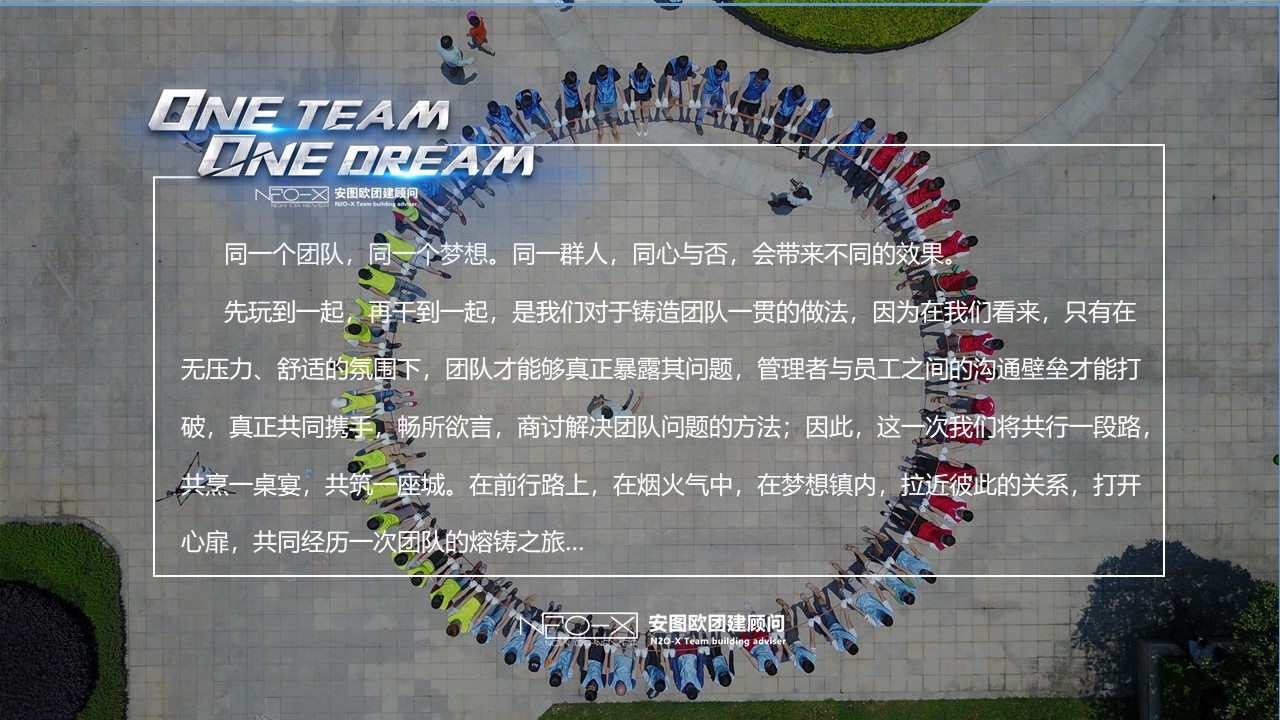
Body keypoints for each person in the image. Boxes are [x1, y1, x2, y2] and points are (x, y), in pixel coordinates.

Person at [862, 150, 931, 218]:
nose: (919, 165)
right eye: (918, 162)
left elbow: (911, 177)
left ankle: (880, 203)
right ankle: (869, 208)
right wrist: (890, 179)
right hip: (897, 178)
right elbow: (899, 168)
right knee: (881, 193)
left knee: (890, 199)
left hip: (906, 184)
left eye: (920, 164)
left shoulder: (924, 167)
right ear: (917, 157)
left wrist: (900, 188)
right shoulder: (911, 154)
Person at [846, 130, 909, 198]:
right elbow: (876, 148)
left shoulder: (902, 149)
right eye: (896, 142)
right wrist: (868, 161)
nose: (896, 144)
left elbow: (893, 161)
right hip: (871, 161)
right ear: (895, 137)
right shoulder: (887, 137)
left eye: (898, 144)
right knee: (858, 174)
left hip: (880, 168)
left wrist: (885, 174)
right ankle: (850, 184)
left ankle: (856, 194)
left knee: (866, 183)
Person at [881, 500, 957, 551]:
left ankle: (891, 516)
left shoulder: (939, 547)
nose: (941, 535)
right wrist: (926, 511)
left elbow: (925, 542)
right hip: (924, 523)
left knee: (902, 523)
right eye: (943, 535)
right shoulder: (948, 531)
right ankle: (893, 508)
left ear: (943, 542)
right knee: (907, 514)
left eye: (941, 538)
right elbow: (938, 521)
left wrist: (912, 537)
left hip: (918, 533)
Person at [818, 117, 875, 184]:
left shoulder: (872, 133)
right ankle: (824, 174)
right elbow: (844, 133)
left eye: (866, 129)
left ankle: (835, 168)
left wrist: (861, 157)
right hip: (842, 149)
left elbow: (866, 146)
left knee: (844, 165)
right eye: (863, 127)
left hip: (852, 154)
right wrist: (835, 142)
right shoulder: (856, 124)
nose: (864, 129)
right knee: (832, 161)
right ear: (863, 123)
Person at [357, 264, 429, 303]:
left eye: (370, 275)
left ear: (368, 271)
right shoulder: (362, 283)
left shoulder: (370, 267)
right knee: (406, 299)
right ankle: (413, 297)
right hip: (390, 291)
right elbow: (375, 291)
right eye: (369, 278)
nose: (370, 277)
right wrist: (388, 298)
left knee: (412, 287)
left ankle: (424, 295)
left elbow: (385, 267)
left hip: (395, 281)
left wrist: (401, 270)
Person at [588, 64, 624, 143]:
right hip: (599, 102)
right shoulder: (594, 75)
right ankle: (600, 131)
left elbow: (619, 88)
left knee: (614, 116)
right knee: (600, 118)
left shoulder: (612, 72)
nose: (603, 78)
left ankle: (614, 130)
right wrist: (591, 108)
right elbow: (592, 93)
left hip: (612, 101)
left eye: (605, 77)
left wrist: (624, 102)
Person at [693, 59, 731, 135]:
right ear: (715, 68)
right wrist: (698, 99)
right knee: (703, 109)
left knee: (724, 103)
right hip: (707, 91)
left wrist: (728, 104)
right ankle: (698, 123)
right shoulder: (709, 70)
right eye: (718, 72)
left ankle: (710, 110)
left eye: (721, 72)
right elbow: (702, 85)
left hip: (717, 90)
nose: (720, 73)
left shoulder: (726, 73)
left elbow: (727, 89)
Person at [729, 68, 771, 135]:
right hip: (743, 98)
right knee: (738, 111)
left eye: (761, 80)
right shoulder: (750, 76)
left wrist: (766, 116)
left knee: (751, 114)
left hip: (755, 101)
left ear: (765, 79)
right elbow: (740, 91)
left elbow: (767, 100)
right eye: (758, 78)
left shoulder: (768, 83)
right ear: (756, 75)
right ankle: (735, 121)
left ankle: (746, 123)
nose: (759, 81)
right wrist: (735, 106)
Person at [661, 55, 699, 122]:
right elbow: (668, 83)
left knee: (698, 68)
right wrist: (666, 98)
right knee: (676, 96)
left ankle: (692, 69)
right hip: (673, 76)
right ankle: (666, 110)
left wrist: (691, 99)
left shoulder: (688, 64)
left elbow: (689, 83)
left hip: (683, 69)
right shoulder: (670, 66)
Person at [331, 386, 416, 416]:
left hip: (372, 397)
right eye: (346, 404)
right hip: (372, 408)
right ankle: (404, 404)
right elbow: (361, 410)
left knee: (390, 392)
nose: (348, 402)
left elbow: (360, 391)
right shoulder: (346, 411)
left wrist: (374, 388)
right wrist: (375, 407)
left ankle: (401, 395)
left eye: (347, 401)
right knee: (391, 407)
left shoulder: (346, 394)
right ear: (341, 408)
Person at [669, 635, 704, 700]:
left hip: (682, 659)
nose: (689, 685)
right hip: (693, 658)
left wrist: (673, 657)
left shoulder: (680, 686)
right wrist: (701, 654)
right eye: (692, 687)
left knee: (679, 642)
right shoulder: (699, 685)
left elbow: (676, 671)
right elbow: (700, 669)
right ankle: (687, 633)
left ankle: (676, 636)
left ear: (686, 691)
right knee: (690, 640)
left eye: (688, 688)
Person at [627, 63, 656, 137]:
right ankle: (638, 126)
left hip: (646, 92)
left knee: (646, 109)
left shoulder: (649, 75)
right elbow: (632, 89)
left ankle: (645, 126)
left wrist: (657, 99)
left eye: (643, 76)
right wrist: (632, 102)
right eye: (640, 76)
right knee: (637, 110)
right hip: (636, 92)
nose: (641, 77)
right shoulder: (632, 76)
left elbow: (653, 86)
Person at [559, 70, 586, 142]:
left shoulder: (578, 81)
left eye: (573, 84)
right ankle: (575, 138)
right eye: (570, 84)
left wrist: (584, 110)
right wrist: (563, 116)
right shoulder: (561, 84)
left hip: (576, 102)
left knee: (581, 114)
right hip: (568, 105)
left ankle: (580, 115)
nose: (572, 86)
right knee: (572, 125)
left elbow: (580, 95)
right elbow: (563, 101)